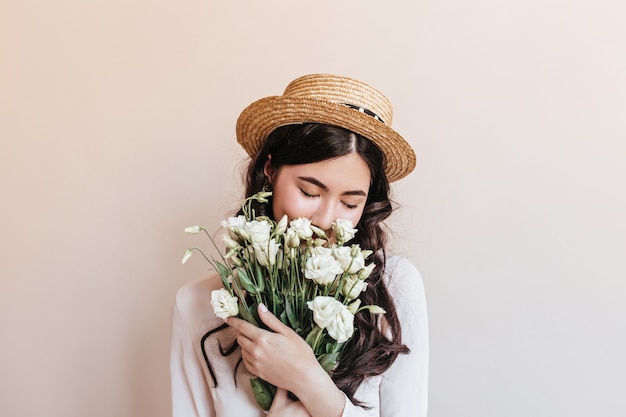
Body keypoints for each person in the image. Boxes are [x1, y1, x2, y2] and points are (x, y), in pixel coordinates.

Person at [170, 74, 429, 417]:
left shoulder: (394, 287)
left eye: (349, 204)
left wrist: (311, 384)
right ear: (270, 172)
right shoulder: (199, 305)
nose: (325, 219)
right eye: (309, 192)